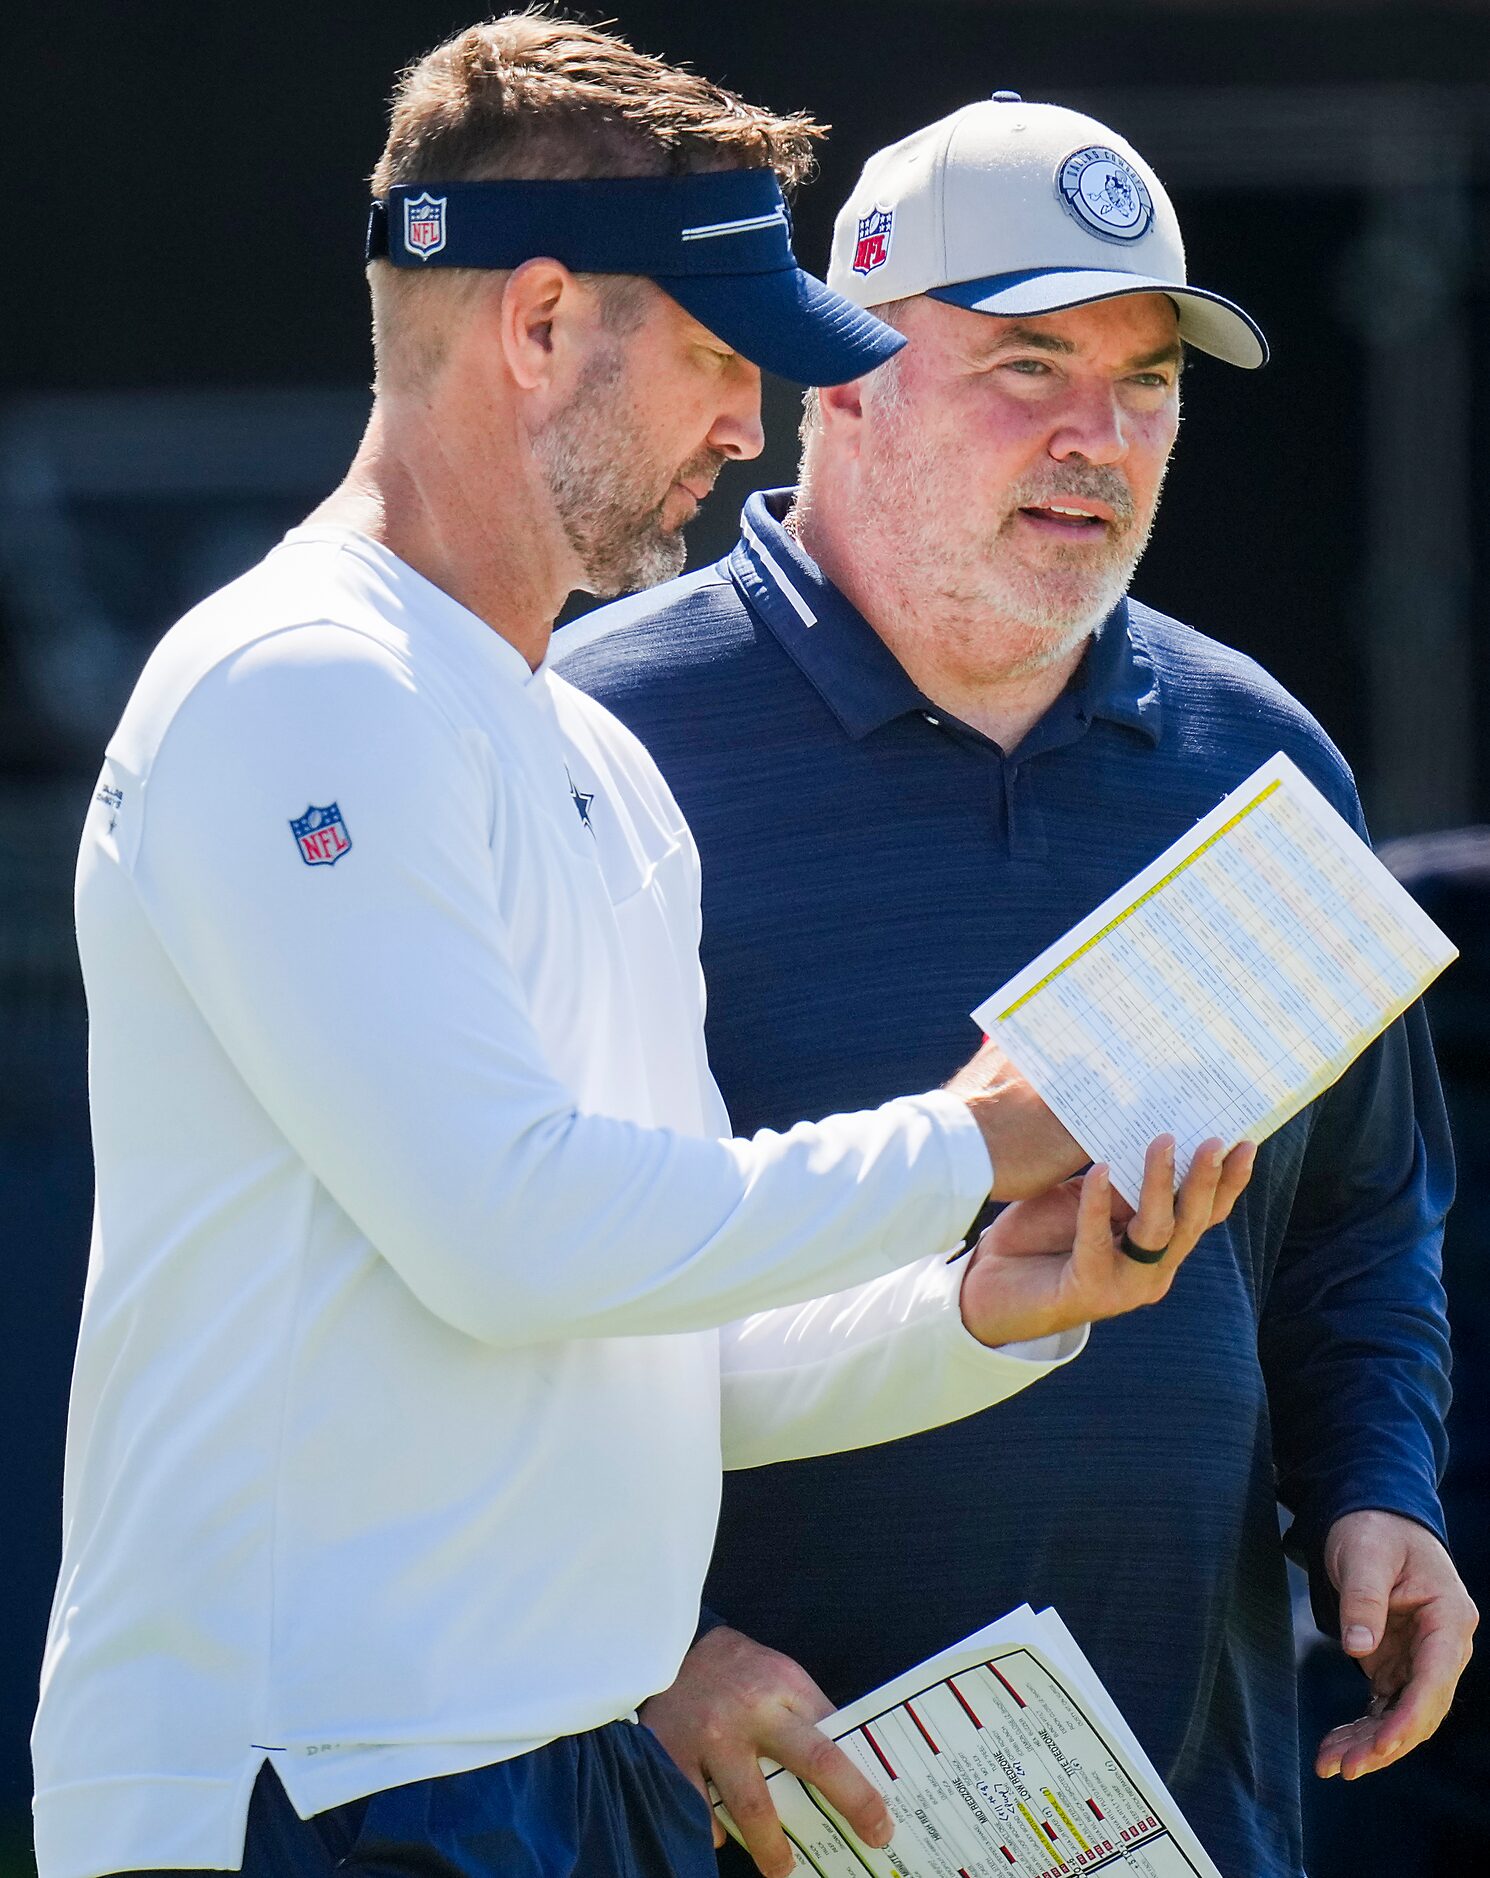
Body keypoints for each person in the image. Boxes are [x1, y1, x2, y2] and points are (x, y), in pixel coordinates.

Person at [30, 27, 1252, 1878]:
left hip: (558, 1773)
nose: (749, 428)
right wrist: (978, 1136)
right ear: (535, 329)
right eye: (709, 357)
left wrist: (983, 1313)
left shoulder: (593, 755)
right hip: (292, 1783)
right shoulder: (295, 685)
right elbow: (518, 1238)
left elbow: (641, 1348)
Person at [557, 95, 1476, 1878]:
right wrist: (637, 1658)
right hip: (702, 1813)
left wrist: (1379, 1489)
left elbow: (1360, 1218)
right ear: (836, 378)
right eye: (1027, 365)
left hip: (1169, 1807)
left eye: (1145, 384)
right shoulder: (591, 732)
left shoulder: (1249, 756)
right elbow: (455, 1292)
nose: (1096, 437)